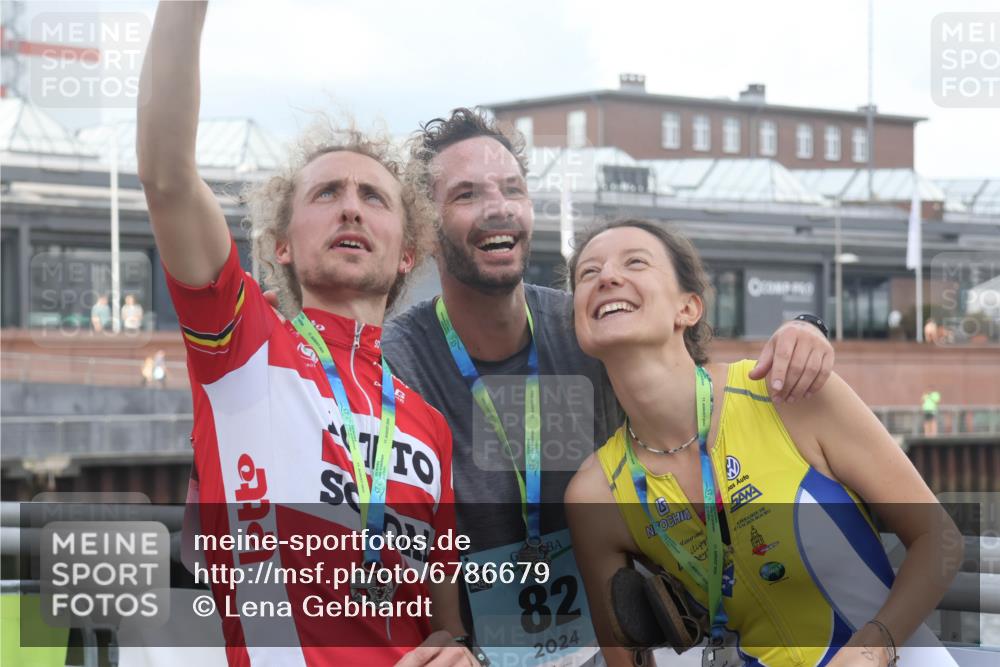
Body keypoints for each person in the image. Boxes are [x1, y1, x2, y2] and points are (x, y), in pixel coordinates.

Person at [380, 109, 838, 664]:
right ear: (426, 228)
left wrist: (804, 331)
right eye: (466, 194)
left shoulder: (585, 326)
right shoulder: (395, 360)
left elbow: (694, 393)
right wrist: (449, 635)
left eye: (513, 189)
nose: (498, 208)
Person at [138, 3, 470, 665]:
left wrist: (460, 652)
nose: (351, 207)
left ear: (407, 254)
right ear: (282, 245)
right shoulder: (243, 347)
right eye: (326, 194)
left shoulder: (428, 425)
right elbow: (167, 176)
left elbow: (443, 625)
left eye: (374, 197)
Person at [563, 219, 961, 667]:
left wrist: (873, 650)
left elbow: (940, 537)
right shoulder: (596, 494)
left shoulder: (786, 394)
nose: (607, 277)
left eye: (635, 262)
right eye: (588, 273)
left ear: (688, 308)